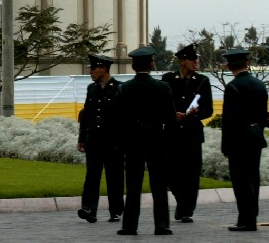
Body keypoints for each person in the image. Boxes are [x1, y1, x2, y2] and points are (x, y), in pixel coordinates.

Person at [117, 45, 175, 236]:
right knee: (159, 184)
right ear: (151, 64)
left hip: (133, 142)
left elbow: (120, 119)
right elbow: (170, 118)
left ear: (133, 66)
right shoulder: (163, 87)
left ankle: (129, 225)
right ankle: (162, 224)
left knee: (133, 185)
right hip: (157, 140)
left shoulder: (125, 89)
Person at [161, 43, 213, 224]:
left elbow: (208, 110)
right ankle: (181, 200)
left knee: (191, 173)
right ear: (182, 61)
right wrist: (171, 114)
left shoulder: (202, 81)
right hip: (172, 133)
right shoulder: (168, 79)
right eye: (192, 59)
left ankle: (186, 210)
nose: (196, 62)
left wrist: (195, 113)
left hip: (191, 133)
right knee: (170, 172)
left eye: (196, 59)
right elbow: (161, 105)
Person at [220, 47, 268, 232]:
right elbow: (263, 115)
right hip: (255, 138)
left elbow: (229, 120)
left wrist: (226, 146)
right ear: (247, 63)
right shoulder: (259, 84)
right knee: (252, 179)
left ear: (229, 64)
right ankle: (248, 217)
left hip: (239, 140)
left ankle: (246, 220)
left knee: (241, 182)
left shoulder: (233, 87)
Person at [77, 53, 124, 223]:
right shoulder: (92, 88)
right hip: (94, 139)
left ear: (103, 69)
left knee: (115, 176)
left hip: (113, 140)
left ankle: (116, 210)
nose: (91, 72)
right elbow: (86, 114)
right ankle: (89, 209)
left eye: (93, 69)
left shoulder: (119, 88)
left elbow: (123, 118)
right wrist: (82, 138)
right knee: (92, 175)